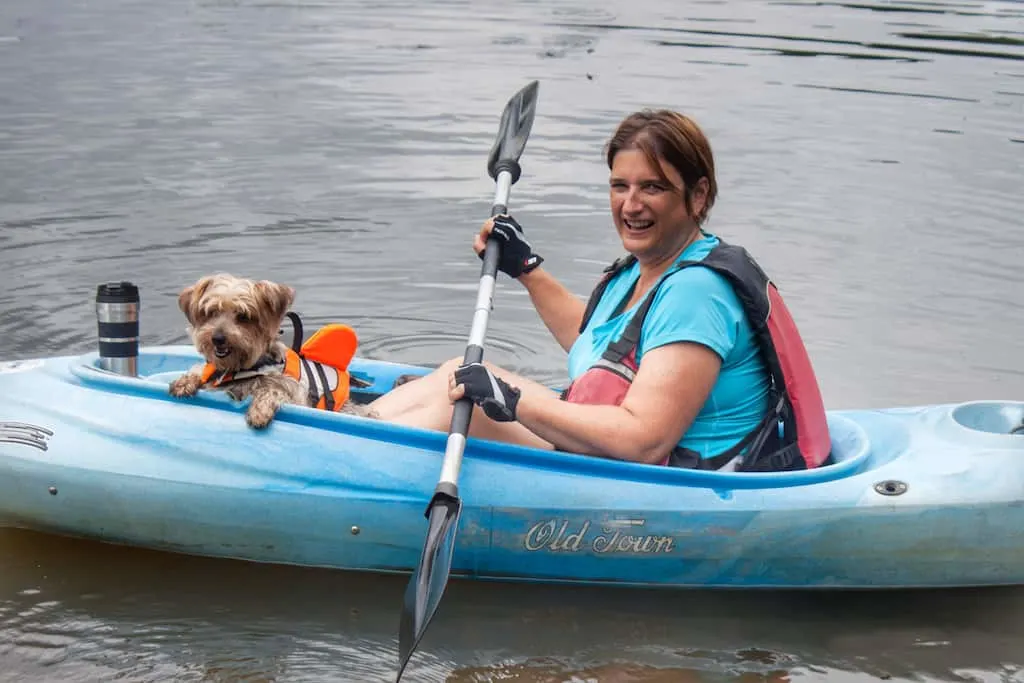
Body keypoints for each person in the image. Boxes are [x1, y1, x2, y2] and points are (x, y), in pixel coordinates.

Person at [369, 109, 831, 471]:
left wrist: (514, 400)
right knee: (460, 370)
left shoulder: (697, 293)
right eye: (620, 186)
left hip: (672, 480)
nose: (631, 205)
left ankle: (340, 452)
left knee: (463, 406)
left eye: (653, 187)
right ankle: (348, 425)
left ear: (698, 195)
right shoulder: (641, 270)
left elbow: (644, 441)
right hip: (621, 456)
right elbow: (599, 351)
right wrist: (526, 269)